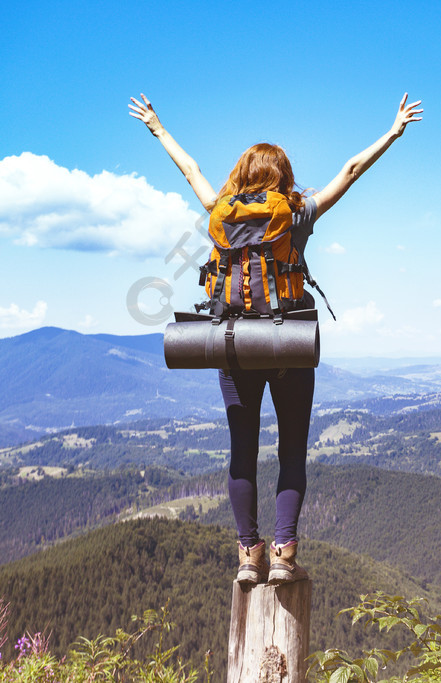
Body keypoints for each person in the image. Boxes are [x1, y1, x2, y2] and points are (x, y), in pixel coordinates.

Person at [130, 92, 423, 584]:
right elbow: (349, 171)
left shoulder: (218, 210)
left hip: (232, 346)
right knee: (291, 451)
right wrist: (393, 132)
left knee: (242, 451)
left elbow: (191, 169)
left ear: (241, 174)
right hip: (286, 344)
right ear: (282, 176)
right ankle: (284, 554)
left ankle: (249, 554)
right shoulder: (296, 211)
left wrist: (158, 127)